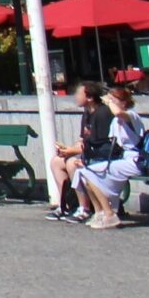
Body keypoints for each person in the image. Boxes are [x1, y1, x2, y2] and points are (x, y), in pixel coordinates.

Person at [68, 86, 147, 229]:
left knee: (91, 173)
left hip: (136, 160)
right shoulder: (115, 121)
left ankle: (110, 214)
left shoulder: (131, 115)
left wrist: (109, 101)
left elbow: (119, 113)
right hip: (122, 158)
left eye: (114, 100)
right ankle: (100, 212)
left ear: (123, 102)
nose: (110, 103)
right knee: (84, 172)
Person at [48, 83, 114, 220]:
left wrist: (71, 151)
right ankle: (65, 204)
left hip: (102, 155)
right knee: (56, 162)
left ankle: (84, 209)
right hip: (89, 152)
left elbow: (99, 144)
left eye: (79, 94)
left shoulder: (102, 114)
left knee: (72, 163)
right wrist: (67, 149)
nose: (76, 97)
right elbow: (83, 140)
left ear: (89, 97)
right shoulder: (87, 113)